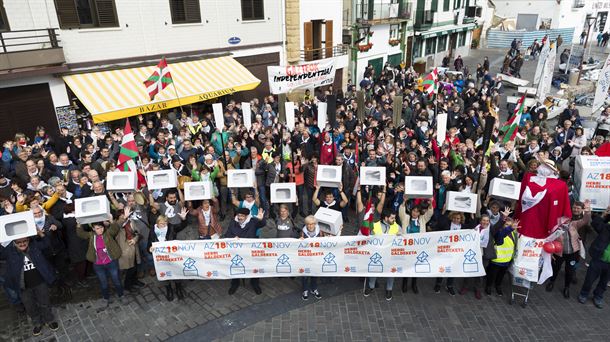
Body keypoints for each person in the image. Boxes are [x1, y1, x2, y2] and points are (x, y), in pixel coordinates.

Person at [0, 230, 59, 336]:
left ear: (28, 240)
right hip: (23, 287)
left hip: (40, 282)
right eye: (19, 242)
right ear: (14, 242)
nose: (22, 244)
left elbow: (47, 243)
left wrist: (40, 233)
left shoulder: (35, 246)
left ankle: (49, 320)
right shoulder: (9, 251)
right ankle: (37, 323)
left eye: (24, 241)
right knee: (30, 306)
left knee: (45, 302)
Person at [76, 220, 128, 307]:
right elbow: (80, 234)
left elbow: (115, 228)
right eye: (97, 228)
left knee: (116, 280)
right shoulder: (91, 235)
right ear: (93, 229)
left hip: (111, 262)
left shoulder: (108, 233)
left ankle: (121, 295)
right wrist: (78, 224)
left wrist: (112, 221)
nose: (100, 230)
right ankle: (105, 298)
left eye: (101, 228)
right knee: (103, 282)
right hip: (98, 265)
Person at [546, 201, 591, 298]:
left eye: (567, 218)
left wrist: (587, 210)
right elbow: (550, 237)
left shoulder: (574, 224)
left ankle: (567, 287)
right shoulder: (556, 224)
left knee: (569, 271)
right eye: (564, 218)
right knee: (556, 268)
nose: (565, 220)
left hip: (573, 253)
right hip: (559, 252)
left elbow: (585, 220)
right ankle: (552, 282)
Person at [224, 207, 266, 295]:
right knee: (235, 267)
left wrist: (262, 219)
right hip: (237, 251)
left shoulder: (253, 222)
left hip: (250, 251)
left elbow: (262, 224)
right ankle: (235, 283)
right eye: (238, 215)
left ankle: (254, 283)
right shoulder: (233, 223)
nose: (239, 217)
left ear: (246, 216)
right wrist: (232, 238)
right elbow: (227, 234)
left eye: (242, 216)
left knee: (253, 267)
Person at [363, 210, 401, 300]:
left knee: (391, 272)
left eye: (394, 218)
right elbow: (369, 239)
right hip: (377, 254)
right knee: (374, 269)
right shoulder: (375, 226)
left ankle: (389, 289)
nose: (394, 220)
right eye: (392, 218)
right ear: (386, 218)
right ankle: (371, 286)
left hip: (390, 255)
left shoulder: (397, 227)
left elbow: (402, 240)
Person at [578, 205, 610, 309]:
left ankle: (598, 296)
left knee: (604, 282)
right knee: (589, 279)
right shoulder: (607, 226)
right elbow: (596, 224)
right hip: (598, 258)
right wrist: (604, 214)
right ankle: (584, 293)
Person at [485, 216, 519, 296]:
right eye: (507, 225)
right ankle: (488, 286)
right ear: (503, 225)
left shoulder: (514, 234)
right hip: (497, 260)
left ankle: (498, 286)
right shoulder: (499, 233)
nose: (509, 227)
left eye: (510, 225)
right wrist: (510, 228)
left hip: (507, 260)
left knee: (501, 276)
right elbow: (502, 235)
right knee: (492, 275)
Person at [300, 215, 322, 300]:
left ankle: (314, 288)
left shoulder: (319, 232)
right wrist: (300, 240)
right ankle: (305, 290)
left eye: (312, 224)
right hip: (306, 258)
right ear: (306, 224)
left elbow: (324, 242)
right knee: (305, 275)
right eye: (308, 224)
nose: (310, 226)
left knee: (314, 274)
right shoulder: (302, 232)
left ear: (315, 224)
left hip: (316, 257)